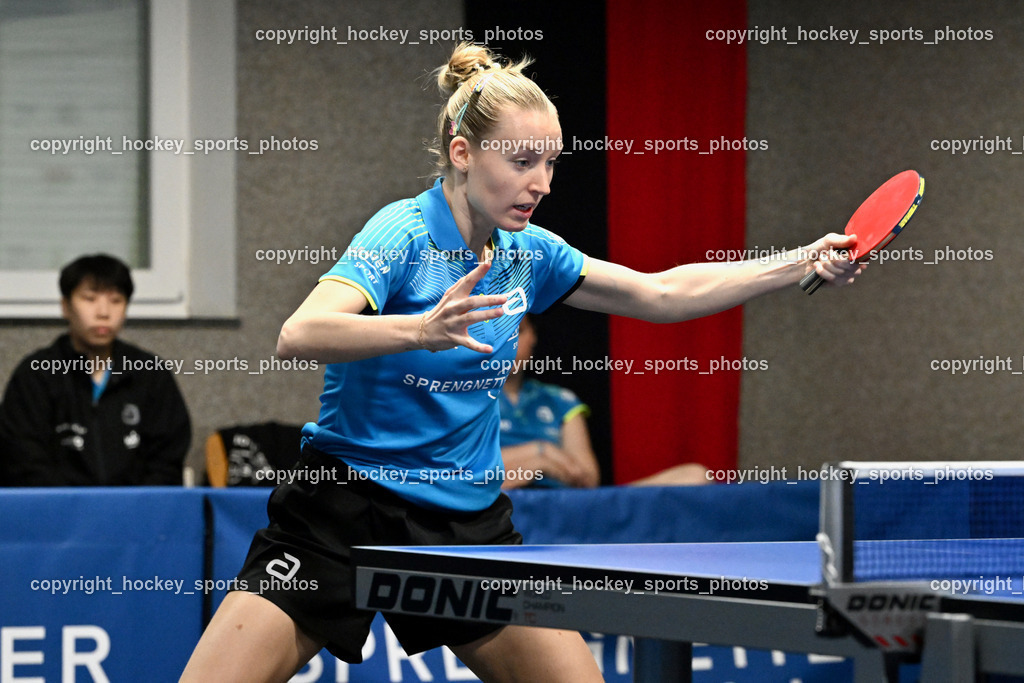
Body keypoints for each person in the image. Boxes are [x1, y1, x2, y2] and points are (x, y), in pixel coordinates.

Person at [180, 42, 861, 682]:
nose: (540, 182)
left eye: (551, 162)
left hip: (462, 522)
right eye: (521, 160)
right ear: (463, 153)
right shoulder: (403, 232)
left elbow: (661, 292)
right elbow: (299, 333)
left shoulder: (530, 251)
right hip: (341, 508)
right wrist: (420, 330)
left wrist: (801, 261)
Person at [0, 254, 191, 486]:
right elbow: (23, 459)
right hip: (58, 514)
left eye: (116, 301)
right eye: (89, 299)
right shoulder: (36, 374)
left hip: (137, 514)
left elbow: (166, 461)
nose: (103, 312)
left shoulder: (150, 373)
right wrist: (77, 508)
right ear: (65, 307)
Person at [499, 315, 708, 489]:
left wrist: (529, 462)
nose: (509, 342)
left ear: (533, 337)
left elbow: (588, 479)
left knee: (695, 476)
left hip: (568, 511)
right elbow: (469, 477)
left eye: (518, 331)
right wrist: (539, 455)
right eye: (499, 333)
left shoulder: (561, 400)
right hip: (499, 514)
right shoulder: (468, 399)